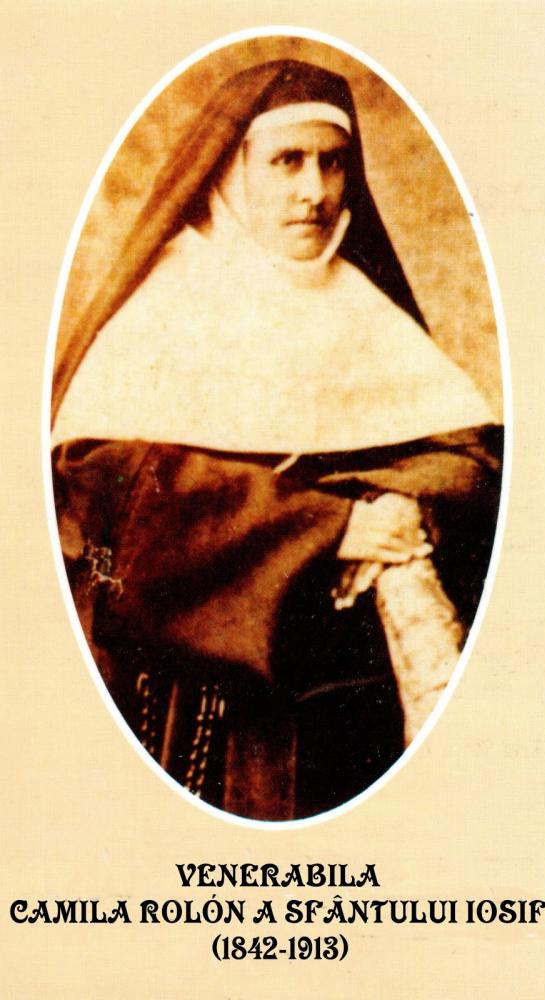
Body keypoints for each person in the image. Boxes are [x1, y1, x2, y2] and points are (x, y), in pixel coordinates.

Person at [51, 59, 502, 820]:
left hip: (362, 701)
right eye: (286, 161)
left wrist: (404, 503)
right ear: (231, 173)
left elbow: (475, 460)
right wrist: (328, 527)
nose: (314, 191)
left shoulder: (364, 306)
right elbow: (101, 493)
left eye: (332, 162)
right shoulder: (169, 306)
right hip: (208, 704)